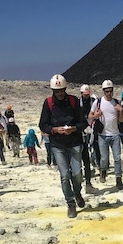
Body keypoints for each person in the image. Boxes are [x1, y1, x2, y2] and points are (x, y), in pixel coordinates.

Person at [38, 74, 87, 218]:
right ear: (53, 90)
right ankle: (70, 203)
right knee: (65, 175)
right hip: (57, 144)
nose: (59, 93)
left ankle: (77, 192)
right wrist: (54, 130)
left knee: (77, 174)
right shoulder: (48, 103)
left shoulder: (73, 101)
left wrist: (74, 128)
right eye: (57, 91)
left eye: (61, 90)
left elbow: (83, 122)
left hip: (75, 142)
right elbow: (43, 124)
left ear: (65, 89)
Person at [88, 79, 123, 190]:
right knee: (104, 158)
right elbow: (90, 116)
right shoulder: (98, 102)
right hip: (103, 135)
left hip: (115, 134)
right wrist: (96, 115)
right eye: (106, 91)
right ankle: (103, 171)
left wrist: (121, 111)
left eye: (110, 91)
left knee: (117, 158)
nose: (109, 93)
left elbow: (121, 120)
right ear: (103, 91)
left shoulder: (116, 102)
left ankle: (119, 179)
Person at [79, 84, 97, 192]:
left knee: (87, 159)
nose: (86, 96)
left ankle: (88, 183)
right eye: (84, 94)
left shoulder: (93, 101)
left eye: (87, 94)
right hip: (79, 133)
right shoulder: (77, 103)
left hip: (90, 129)